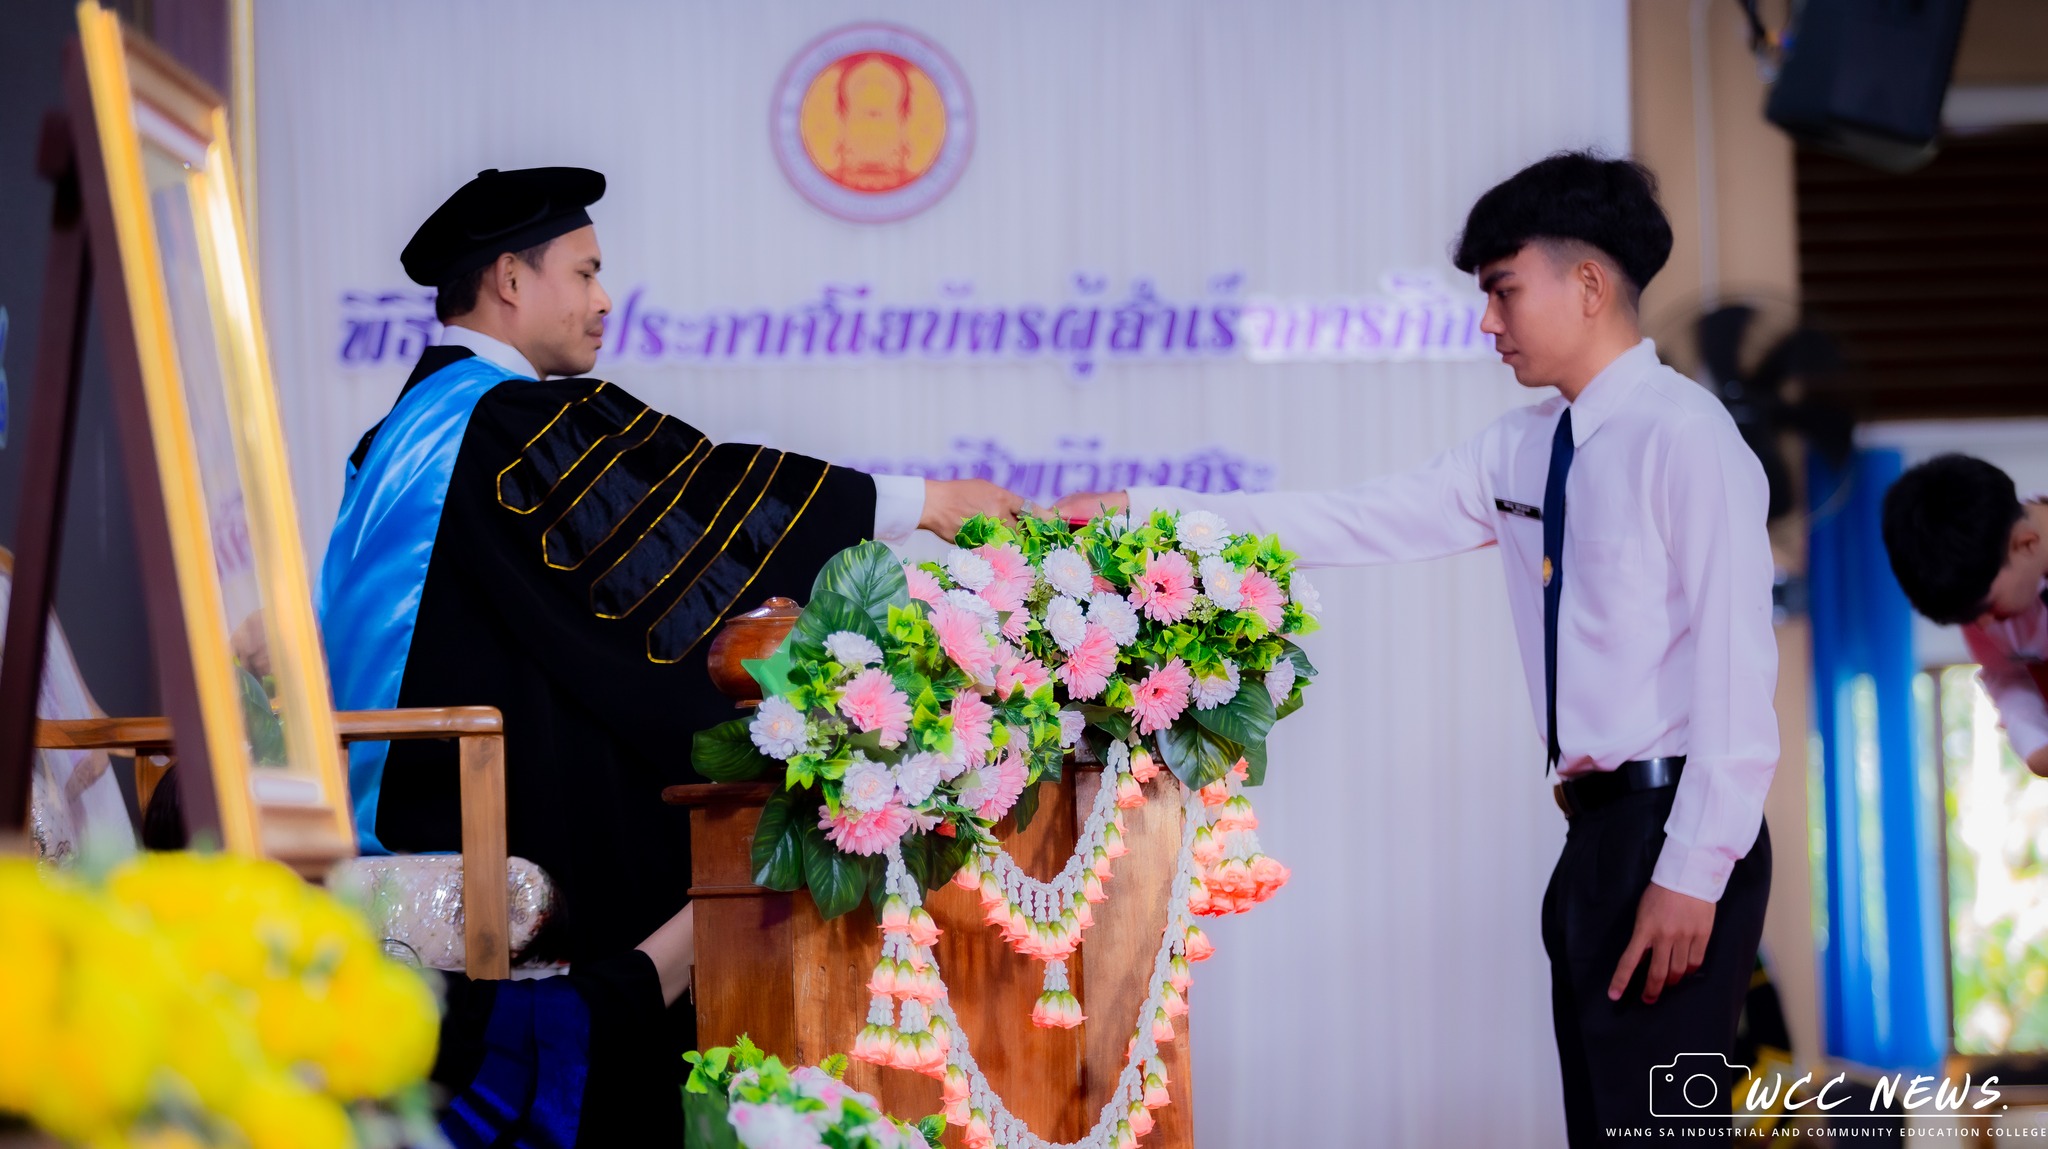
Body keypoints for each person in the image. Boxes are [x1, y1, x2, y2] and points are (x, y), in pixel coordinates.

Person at [1057, 152, 1778, 1145]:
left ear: (1587, 283)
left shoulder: (1686, 437)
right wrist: (1149, 511)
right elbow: (1354, 518)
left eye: (1502, 290)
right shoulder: (1523, 446)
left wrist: (1692, 870)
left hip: (1671, 830)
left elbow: (1738, 678)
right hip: (1594, 839)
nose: (1487, 323)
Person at [316, 166, 1020, 1143]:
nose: (605, 298)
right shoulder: (502, 421)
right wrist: (923, 502)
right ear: (511, 281)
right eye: (585, 272)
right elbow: (687, 506)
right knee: (754, 795)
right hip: (464, 805)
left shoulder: (399, 432)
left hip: (397, 796)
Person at [1882, 454, 2048, 777]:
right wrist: (2036, 746)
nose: (1983, 624)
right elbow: (2005, 674)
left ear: (2025, 543)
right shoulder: (1980, 599)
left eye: (1988, 607)